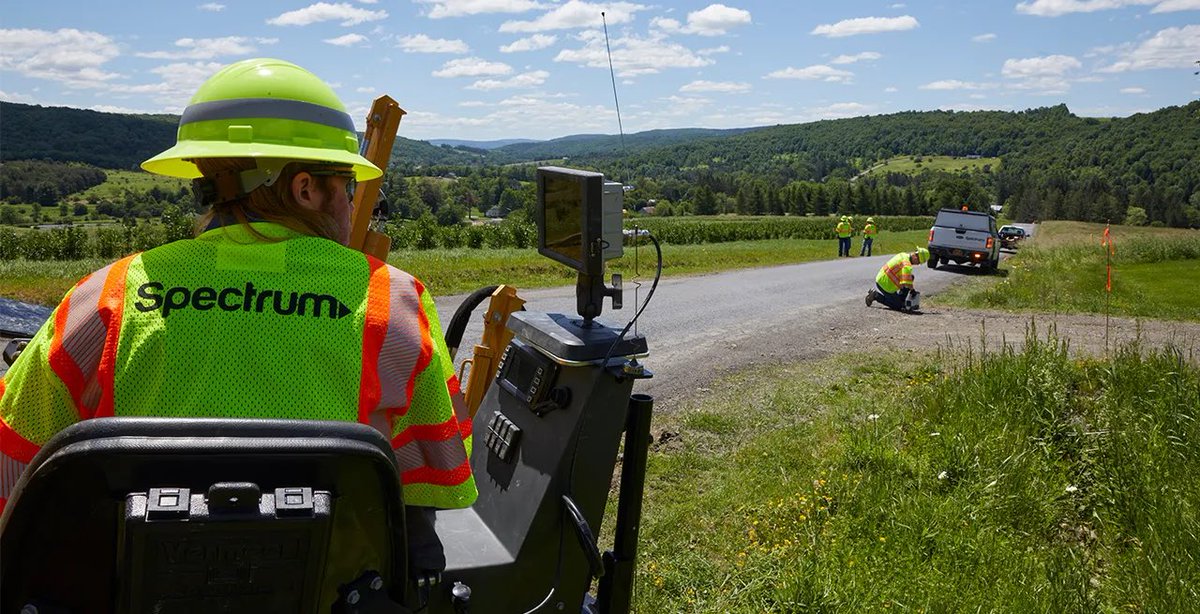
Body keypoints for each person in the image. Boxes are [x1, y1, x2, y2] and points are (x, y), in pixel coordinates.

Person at [0, 58, 476, 568]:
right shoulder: (393, 299)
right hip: (334, 591)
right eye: (348, 187)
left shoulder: (107, 295)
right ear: (306, 189)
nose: (350, 204)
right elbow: (441, 469)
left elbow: (14, 456)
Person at [866, 247, 929, 312]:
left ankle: (901, 300)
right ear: (916, 257)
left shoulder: (903, 255)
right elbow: (906, 283)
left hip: (881, 277)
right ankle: (876, 295)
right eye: (919, 262)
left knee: (910, 277)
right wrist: (913, 291)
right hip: (885, 285)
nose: (918, 264)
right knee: (898, 306)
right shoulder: (907, 266)